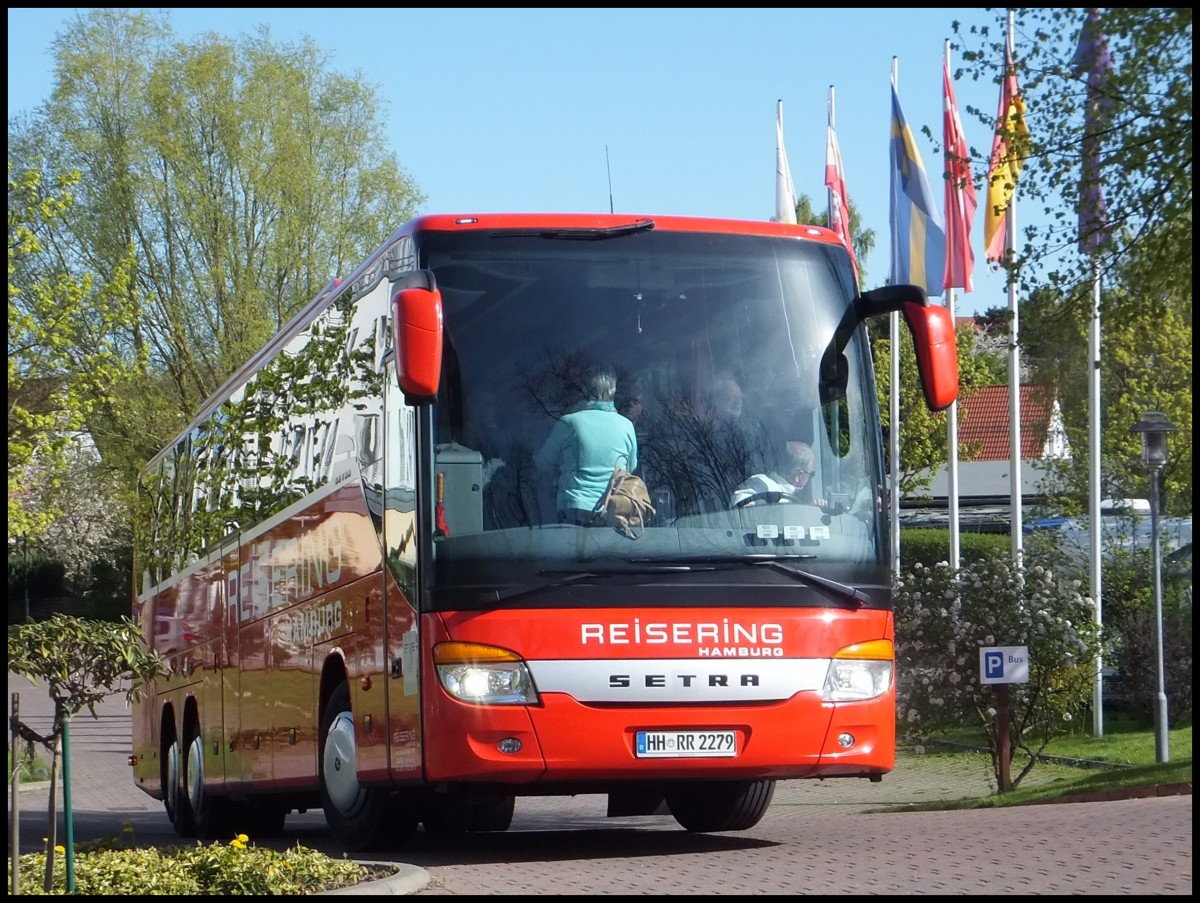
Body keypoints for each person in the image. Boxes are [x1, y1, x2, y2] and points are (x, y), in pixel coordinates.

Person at [535, 367, 638, 525]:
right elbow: (631, 467)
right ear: (613, 392)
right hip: (615, 511)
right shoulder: (627, 426)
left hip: (576, 511)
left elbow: (543, 462)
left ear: (584, 392)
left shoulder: (569, 422)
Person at [731, 440, 827, 508]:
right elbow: (740, 508)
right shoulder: (761, 484)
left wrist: (810, 511)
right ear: (799, 476)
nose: (810, 478)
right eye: (811, 474)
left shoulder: (793, 494)